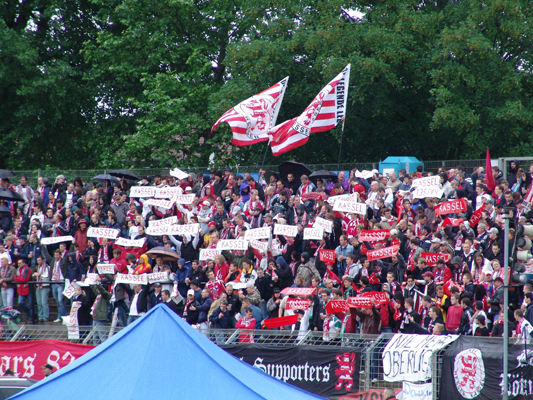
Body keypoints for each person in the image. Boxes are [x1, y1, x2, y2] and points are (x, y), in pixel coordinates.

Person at [90, 278, 112, 345]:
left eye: (99, 289)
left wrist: (98, 284)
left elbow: (103, 291)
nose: (98, 290)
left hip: (100, 318)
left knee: (102, 335)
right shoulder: (99, 295)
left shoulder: (106, 295)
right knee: (95, 336)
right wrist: (90, 282)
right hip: (95, 317)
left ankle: (105, 347)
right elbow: (94, 288)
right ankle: (95, 347)